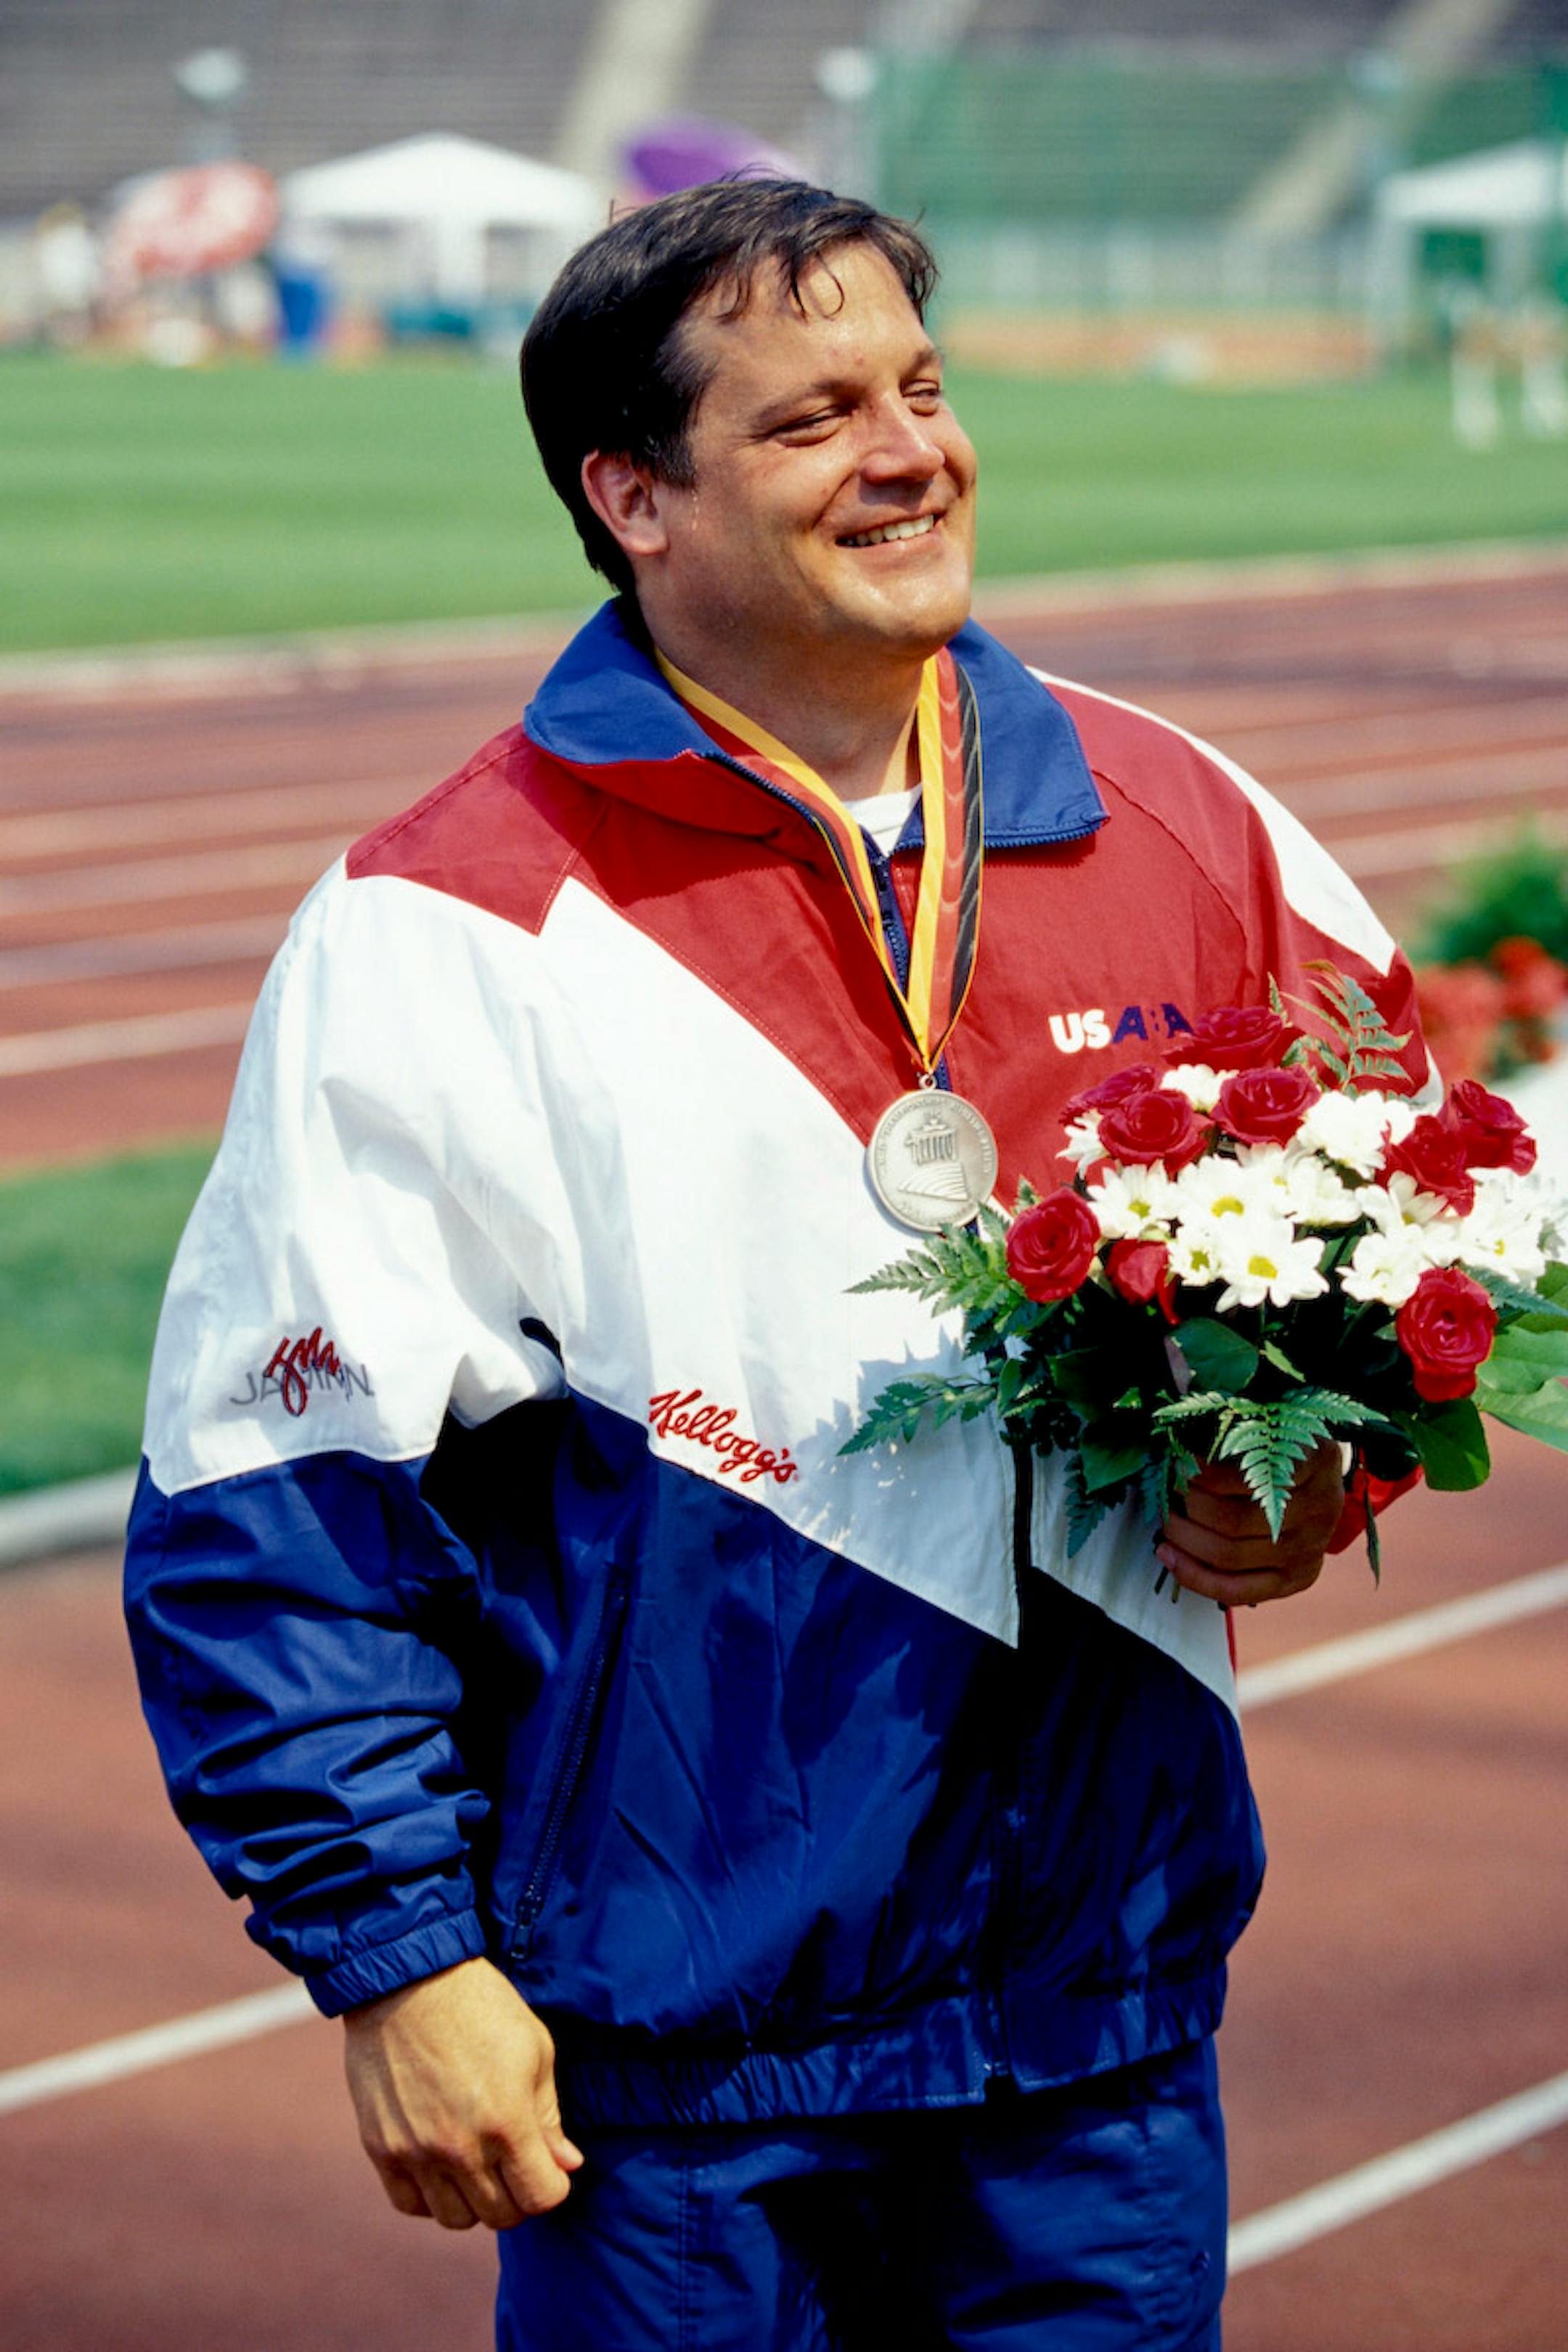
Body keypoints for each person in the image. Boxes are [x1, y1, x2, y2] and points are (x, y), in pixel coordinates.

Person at [126, 179, 1430, 2350]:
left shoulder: (1187, 823)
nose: (913, 453)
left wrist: (1300, 1482)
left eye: (922, 387)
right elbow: (280, 1492)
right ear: (632, 495)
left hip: (1096, 2041)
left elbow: (1406, 1228)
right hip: (684, 2087)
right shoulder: (448, 924)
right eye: (815, 418)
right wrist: (395, 1957)